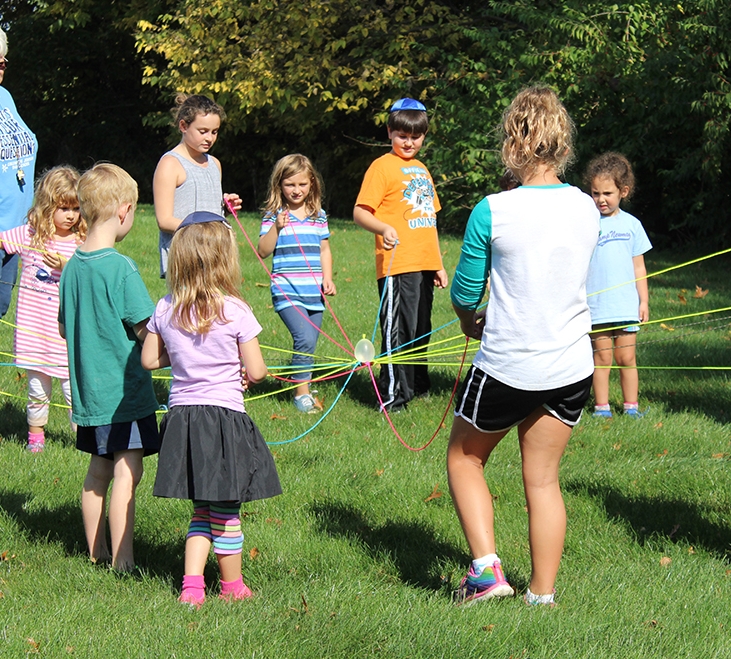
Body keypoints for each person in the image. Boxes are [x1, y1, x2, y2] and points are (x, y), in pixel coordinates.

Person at [447, 87, 600, 607]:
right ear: (562, 142)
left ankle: (488, 573)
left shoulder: (493, 209)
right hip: (572, 366)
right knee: (543, 480)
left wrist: (470, 321)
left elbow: (466, 293)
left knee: (464, 459)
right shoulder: (586, 206)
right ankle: (542, 595)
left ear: (512, 141)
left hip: (507, 366)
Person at [142, 211, 281, 607]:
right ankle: (232, 586)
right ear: (225, 258)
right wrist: (243, 368)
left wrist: (185, 359)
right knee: (227, 509)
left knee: (204, 506)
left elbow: (150, 360)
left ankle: (191, 586)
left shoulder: (165, 306)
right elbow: (256, 370)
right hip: (222, 421)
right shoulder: (235, 309)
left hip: (183, 420)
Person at [58, 163, 160, 571]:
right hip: (125, 395)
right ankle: (123, 561)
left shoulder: (71, 268)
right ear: (124, 210)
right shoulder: (121, 268)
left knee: (97, 471)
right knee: (127, 471)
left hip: (89, 394)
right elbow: (146, 330)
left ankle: (95, 552)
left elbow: (66, 329)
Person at [353, 98, 448, 412]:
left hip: (423, 263)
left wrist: (437, 264)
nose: (409, 142)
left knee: (421, 328)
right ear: (390, 132)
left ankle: (417, 386)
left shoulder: (421, 169)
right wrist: (383, 228)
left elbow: (430, 219)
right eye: (402, 136)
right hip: (397, 264)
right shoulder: (382, 167)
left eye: (416, 136)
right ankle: (393, 395)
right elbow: (359, 212)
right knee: (399, 329)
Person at [0, 166, 85, 452]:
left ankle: (82, 441)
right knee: (37, 391)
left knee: (74, 392)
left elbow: (91, 274)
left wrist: (66, 265)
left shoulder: (82, 242)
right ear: (48, 207)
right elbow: (2, 240)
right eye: (63, 208)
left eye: (75, 208)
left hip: (67, 336)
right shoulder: (30, 235)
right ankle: (36, 440)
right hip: (34, 333)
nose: (71, 215)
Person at [257, 154, 336, 413]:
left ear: (311, 183)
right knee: (303, 337)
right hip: (287, 291)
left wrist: (328, 278)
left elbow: (324, 250)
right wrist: (276, 228)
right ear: (279, 185)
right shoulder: (274, 215)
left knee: (310, 343)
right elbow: (262, 250)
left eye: (302, 184)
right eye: (290, 184)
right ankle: (301, 393)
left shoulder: (318, 215)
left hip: (314, 292)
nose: (296, 190)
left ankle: (302, 381)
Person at [584, 153, 651, 418]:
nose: (601, 199)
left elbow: (639, 267)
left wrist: (643, 301)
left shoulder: (632, 225)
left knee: (626, 359)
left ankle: (630, 408)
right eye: (595, 193)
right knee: (602, 360)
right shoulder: (587, 224)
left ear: (624, 191)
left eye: (607, 193)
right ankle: (602, 408)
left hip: (625, 306)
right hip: (597, 307)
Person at [152, 94, 242, 277]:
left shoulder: (215, 164)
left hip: (214, 257)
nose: (209, 138)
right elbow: (164, 220)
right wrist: (208, 231)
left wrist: (224, 206)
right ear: (183, 126)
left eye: (214, 132)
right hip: (186, 258)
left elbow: (205, 205)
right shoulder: (170, 164)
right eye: (203, 131)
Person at [0, 27, 38, 319]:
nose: (0, 68)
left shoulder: (4, 97)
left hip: (15, 232)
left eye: (2, 62)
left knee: (1, 307)